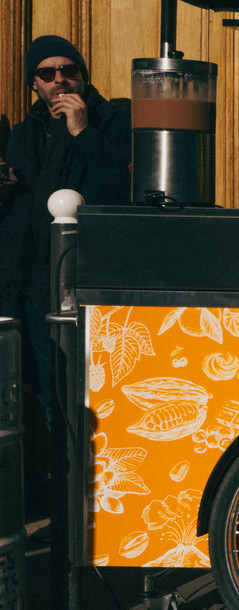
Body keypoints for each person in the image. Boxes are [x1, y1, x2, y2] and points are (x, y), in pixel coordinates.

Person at [6, 34, 131, 424]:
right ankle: (57, 477)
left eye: (68, 70)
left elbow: (121, 188)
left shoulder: (112, 120)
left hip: (92, 273)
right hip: (36, 280)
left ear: (82, 76)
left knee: (96, 383)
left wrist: (82, 132)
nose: (59, 79)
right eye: (48, 73)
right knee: (48, 388)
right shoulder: (25, 134)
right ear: (35, 83)